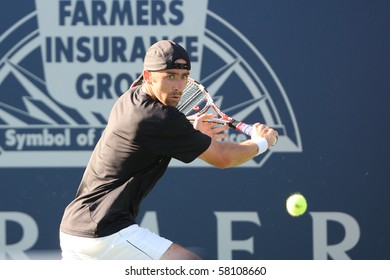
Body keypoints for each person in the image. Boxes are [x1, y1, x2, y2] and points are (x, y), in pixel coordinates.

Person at [59, 40, 278, 260]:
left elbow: (155, 136)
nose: (179, 86)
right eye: (170, 76)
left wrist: (190, 132)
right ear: (147, 76)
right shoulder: (159, 118)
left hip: (74, 230)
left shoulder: (131, 99)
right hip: (104, 233)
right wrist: (261, 142)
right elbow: (223, 158)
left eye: (184, 77)